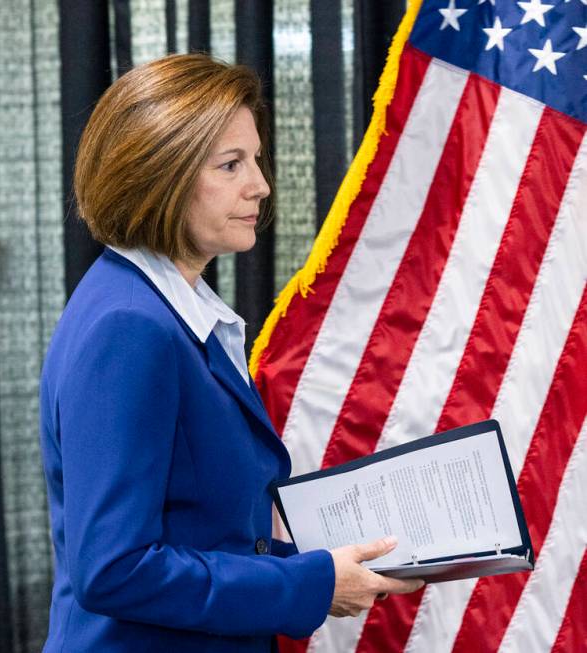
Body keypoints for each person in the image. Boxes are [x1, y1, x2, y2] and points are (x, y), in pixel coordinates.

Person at [38, 53, 423, 653]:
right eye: (231, 165)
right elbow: (113, 570)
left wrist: (330, 560)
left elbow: (205, 525)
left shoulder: (163, 309)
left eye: (257, 161)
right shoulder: (129, 326)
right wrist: (314, 584)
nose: (261, 186)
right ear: (159, 175)